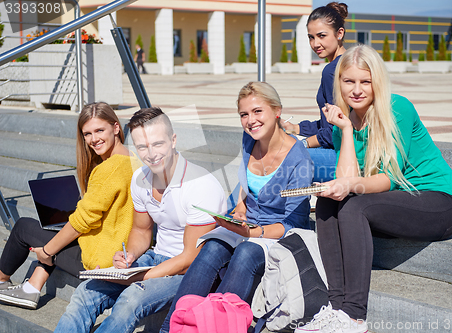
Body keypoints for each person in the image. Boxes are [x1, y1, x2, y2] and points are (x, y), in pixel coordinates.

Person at [294, 44, 452, 333]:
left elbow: (387, 179)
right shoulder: (341, 120)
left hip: (438, 202)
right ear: (339, 83)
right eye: (349, 81)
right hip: (395, 202)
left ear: (377, 83)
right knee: (327, 203)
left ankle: (355, 316)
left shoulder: (397, 108)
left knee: (356, 206)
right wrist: (346, 130)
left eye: (365, 81)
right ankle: (336, 309)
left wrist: (346, 185)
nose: (357, 89)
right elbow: (348, 180)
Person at [54, 107, 226, 333]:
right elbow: (141, 232)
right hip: (156, 258)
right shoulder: (140, 178)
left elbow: (190, 257)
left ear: (173, 140)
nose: (151, 154)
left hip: (195, 270)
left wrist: (144, 276)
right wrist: (130, 255)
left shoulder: (200, 184)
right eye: (142, 147)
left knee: (132, 298)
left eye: (157, 144)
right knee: (86, 292)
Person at [159, 81, 313, 332]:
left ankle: (214, 327)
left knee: (245, 254)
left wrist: (253, 233)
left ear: (277, 111)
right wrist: (239, 207)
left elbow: (292, 224)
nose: (250, 120)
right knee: (211, 248)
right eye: (244, 114)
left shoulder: (299, 159)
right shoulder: (249, 139)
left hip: (278, 233)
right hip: (247, 223)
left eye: (257, 111)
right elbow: (245, 181)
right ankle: (172, 328)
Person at [0, 102, 141, 309]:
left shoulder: (109, 169)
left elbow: (82, 222)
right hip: (116, 247)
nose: (94, 139)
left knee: (23, 227)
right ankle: (31, 288)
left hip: (100, 260)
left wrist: (47, 252)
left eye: (99, 130)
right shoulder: (133, 159)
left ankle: (1, 279)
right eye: (87, 134)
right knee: (58, 229)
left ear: (116, 127)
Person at [281, 2, 348, 182]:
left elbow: (337, 131)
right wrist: (296, 128)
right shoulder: (349, 62)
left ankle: (235, 209)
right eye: (311, 37)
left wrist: (303, 143)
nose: (315, 43)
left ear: (339, 33)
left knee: (273, 157)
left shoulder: (333, 70)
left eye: (321, 36)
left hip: (346, 156)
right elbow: (331, 122)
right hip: (344, 150)